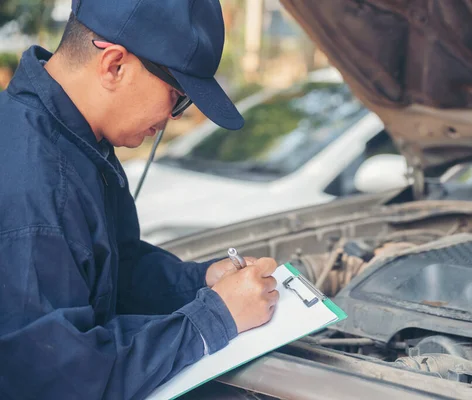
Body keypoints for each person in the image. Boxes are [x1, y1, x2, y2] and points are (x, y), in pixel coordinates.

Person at [0, 1, 280, 399]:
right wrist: (214, 319)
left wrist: (200, 282)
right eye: (176, 96)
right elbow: (60, 379)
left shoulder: (77, 139)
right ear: (114, 66)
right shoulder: (34, 183)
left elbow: (112, 271)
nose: (175, 117)